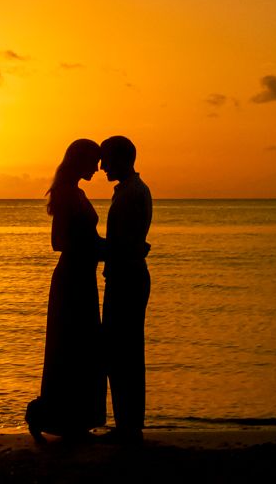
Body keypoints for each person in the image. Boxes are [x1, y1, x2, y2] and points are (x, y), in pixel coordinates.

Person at [26, 138, 107, 440]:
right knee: (70, 347)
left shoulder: (78, 193)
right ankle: (49, 416)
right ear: (80, 161)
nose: (98, 169)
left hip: (82, 277)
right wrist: (99, 249)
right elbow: (58, 242)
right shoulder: (64, 194)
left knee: (82, 348)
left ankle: (75, 420)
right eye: (93, 162)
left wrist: (106, 248)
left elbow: (88, 238)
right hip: (71, 279)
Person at [98, 134, 152, 443]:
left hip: (126, 277)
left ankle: (128, 425)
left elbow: (124, 244)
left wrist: (90, 249)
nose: (103, 166)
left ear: (121, 158)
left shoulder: (132, 193)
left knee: (123, 352)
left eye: (106, 159)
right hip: (126, 274)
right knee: (123, 351)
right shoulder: (130, 191)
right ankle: (127, 423)